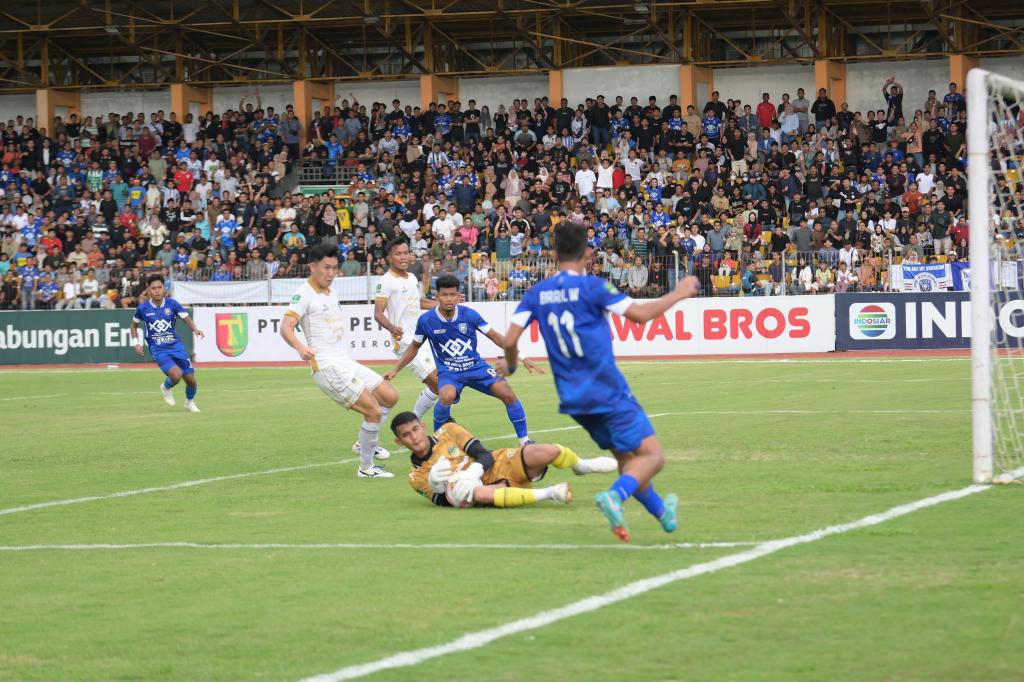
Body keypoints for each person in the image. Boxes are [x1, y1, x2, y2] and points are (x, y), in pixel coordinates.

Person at [498, 222, 701, 542]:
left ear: (553, 254)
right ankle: (614, 497)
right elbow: (640, 315)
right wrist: (679, 292)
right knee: (653, 456)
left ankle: (664, 514)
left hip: (574, 400)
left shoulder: (537, 294)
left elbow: (510, 341)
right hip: (606, 389)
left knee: (628, 460)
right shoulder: (594, 288)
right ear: (588, 253)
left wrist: (510, 366)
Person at [280, 243, 399, 478]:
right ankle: (366, 468)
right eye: (326, 268)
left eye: (334, 268)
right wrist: (301, 347)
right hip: (327, 366)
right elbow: (286, 327)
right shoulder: (304, 294)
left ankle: (363, 443)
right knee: (373, 411)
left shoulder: (332, 292)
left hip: (344, 360)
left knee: (389, 396)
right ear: (312, 267)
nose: (331, 273)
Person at [384, 274, 543, 442]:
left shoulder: (469, 315)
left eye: (453, 295)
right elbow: (414, 347)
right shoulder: (426, 320)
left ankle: (525, 442)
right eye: (444, 295)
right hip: (449, 372)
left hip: (476, 367)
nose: (449, 299)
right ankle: (440, 443)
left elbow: (496, 337)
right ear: (437, 296)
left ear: (458, 296)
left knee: (507, 393)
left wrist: (522, 356)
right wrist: (395, 369)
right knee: (446, 396)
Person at [391, 413, 617, 508]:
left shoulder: (448, 430)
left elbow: (484, 454)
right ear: (399, 442)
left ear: (422, 426)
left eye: (415, 430)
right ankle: (551, 493)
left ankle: (582, 466)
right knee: (477, 493)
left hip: (497, 463)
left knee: (546, 451)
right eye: (406, 435)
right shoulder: (416, 477)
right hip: (484, 489)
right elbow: (443, 502)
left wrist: (470, 474)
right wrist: (439, 487)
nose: (414, 437)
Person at [374, 238, 442, 422]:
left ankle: (414, 421)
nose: (403, 257)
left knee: (441, 385)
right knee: (439, 384)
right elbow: (378, 313)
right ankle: (435, 422)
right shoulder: (386, 281)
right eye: (398, 253)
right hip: (405, 342)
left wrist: (442, 305)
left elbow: (418, 302)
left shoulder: (411, 278)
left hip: (421, 338)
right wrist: (392, 327)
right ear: (389, 257)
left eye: (406, 253)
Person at [130, 274, 205, 413]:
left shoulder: (172, 304)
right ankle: (166, 386)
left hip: (175, 346)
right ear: (148, 290)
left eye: (159, 287)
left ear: (163, 288)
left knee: (191, 380)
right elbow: (133, 326)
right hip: (158, 348)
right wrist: (136, 343)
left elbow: (186, 319)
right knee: (176, 376)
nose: (157, 291)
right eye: (153, 288)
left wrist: (195, 329)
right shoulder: (143, 308)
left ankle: (189, 403)